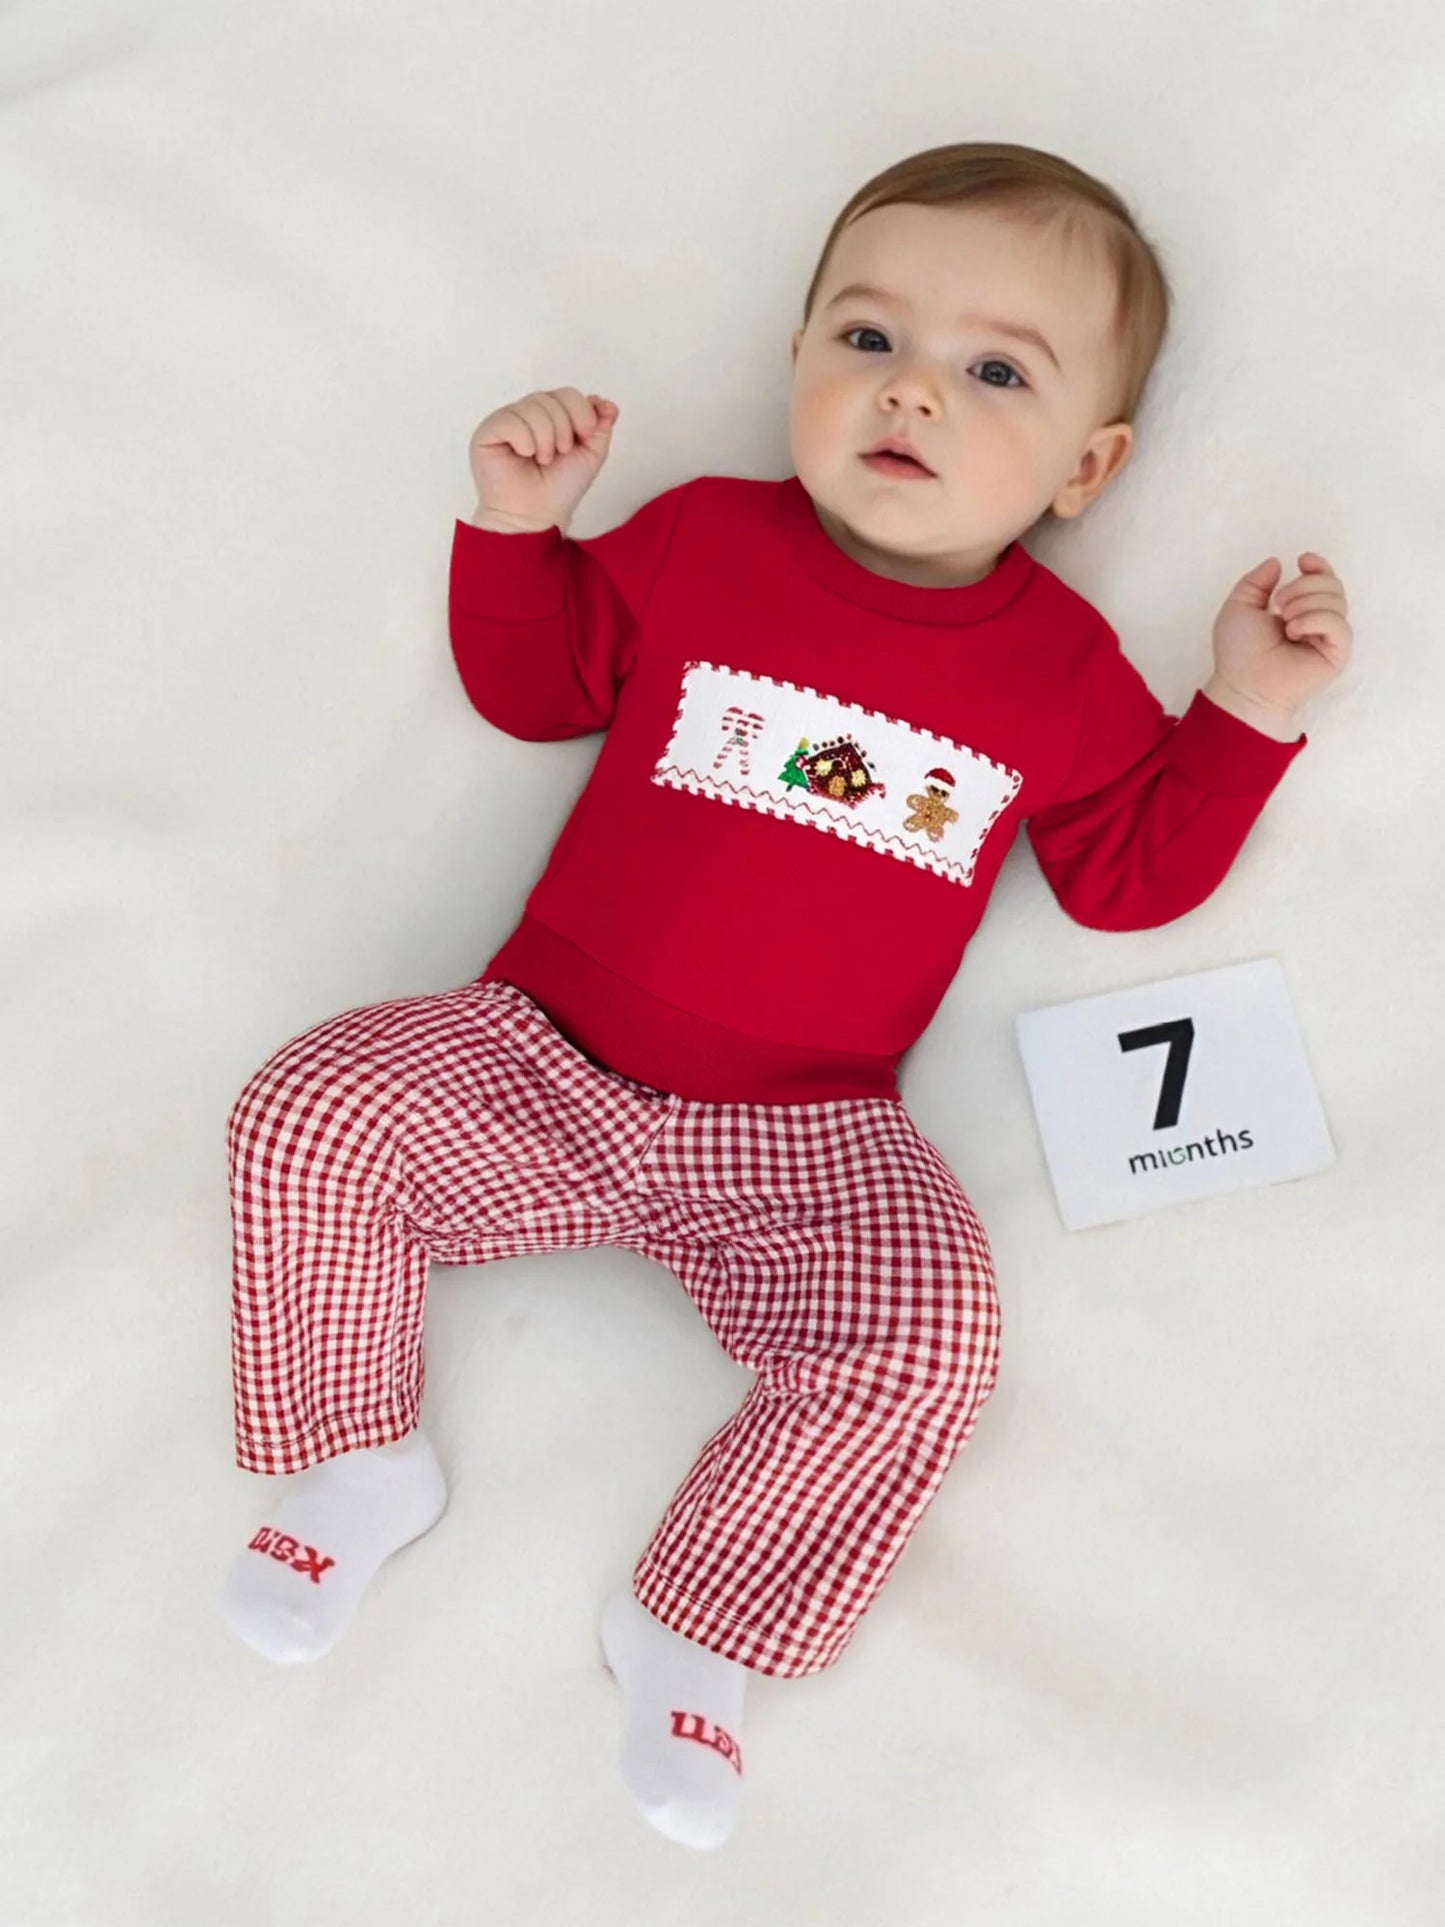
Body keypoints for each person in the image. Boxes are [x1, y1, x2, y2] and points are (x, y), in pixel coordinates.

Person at [217, 141, 1353, 1851]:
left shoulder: (1055, 669)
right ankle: (351, 1448)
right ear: (797, 361)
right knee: (310, 1115)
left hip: (808, 1132)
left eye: (992, 374)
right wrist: (517, 533)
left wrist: (1242, 718)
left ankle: (701, 1616)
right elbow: (536, 693)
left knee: (929, 1333)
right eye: (865, 339)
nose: (910, 396)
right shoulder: (704, 543)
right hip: (540, 1049)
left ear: (1083, 466)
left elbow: (1125, 877)